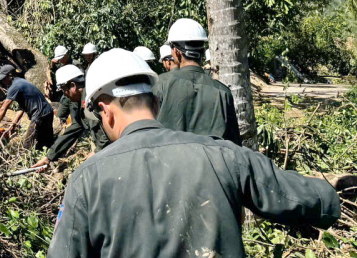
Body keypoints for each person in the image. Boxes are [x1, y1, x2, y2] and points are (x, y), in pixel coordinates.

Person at [48, 48, 340, 257]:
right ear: (156, 103)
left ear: (104, 110)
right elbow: (312, 201)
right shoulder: (225, 156)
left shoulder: (86, 180)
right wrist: (337, 191)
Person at [153, 19, 241, 145]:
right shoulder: (223, 92)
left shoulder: (160, 85)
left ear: (176, 52)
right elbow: (234, 145)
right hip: (212, 163)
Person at [31, 66, 109, 170]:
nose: (65, 95)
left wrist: (97, 151)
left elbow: (110, 129)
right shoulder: (77, 101)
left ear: (73, 85)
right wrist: (49, 157)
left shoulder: (92, 98)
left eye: (64, 91)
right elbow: (75, 127)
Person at [0, 64, 54, 150]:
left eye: (4, 78)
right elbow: (22, 108)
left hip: (40, 116)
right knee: (45, 144)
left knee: (27, 145)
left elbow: (3, 108)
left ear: (10, 76)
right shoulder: (21, 82)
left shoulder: (14, 87)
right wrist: (13, 124)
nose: (2, 81)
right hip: (48, 112)